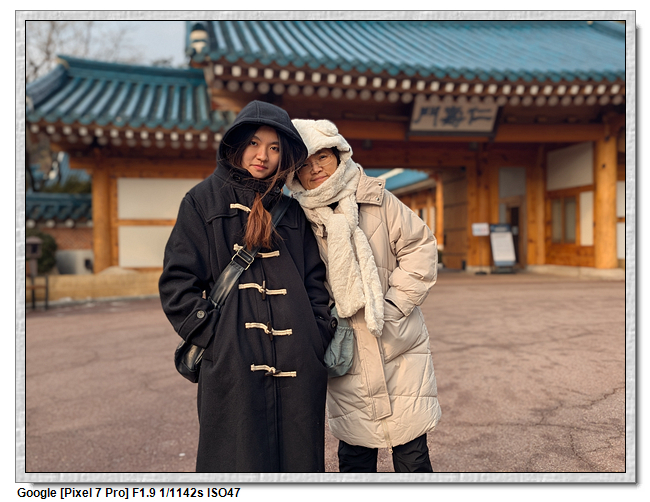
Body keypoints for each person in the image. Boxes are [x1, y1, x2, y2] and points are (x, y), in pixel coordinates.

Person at [159, 101, 336, 473]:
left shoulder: (293, 212)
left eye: (274, 147)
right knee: (236, 466)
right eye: (254, 143)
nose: (262, 156)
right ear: (237, 144)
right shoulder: (201, 201)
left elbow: (314, 283)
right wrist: (217, 338)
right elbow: (177, 283)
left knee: (297, 469)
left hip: (298, 364)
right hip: (233, 365)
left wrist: (315, 335)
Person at [285, 118, 442, 473]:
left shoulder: (377, 198)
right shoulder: (297, 219)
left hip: (398, 341)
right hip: (345, 347)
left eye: (322, 157)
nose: (315, 169)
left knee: (412, 453)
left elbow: (420, 247)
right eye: (305, 164)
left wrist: (394, 305)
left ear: (339, 155)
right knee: (355, 456)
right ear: (294, 174)